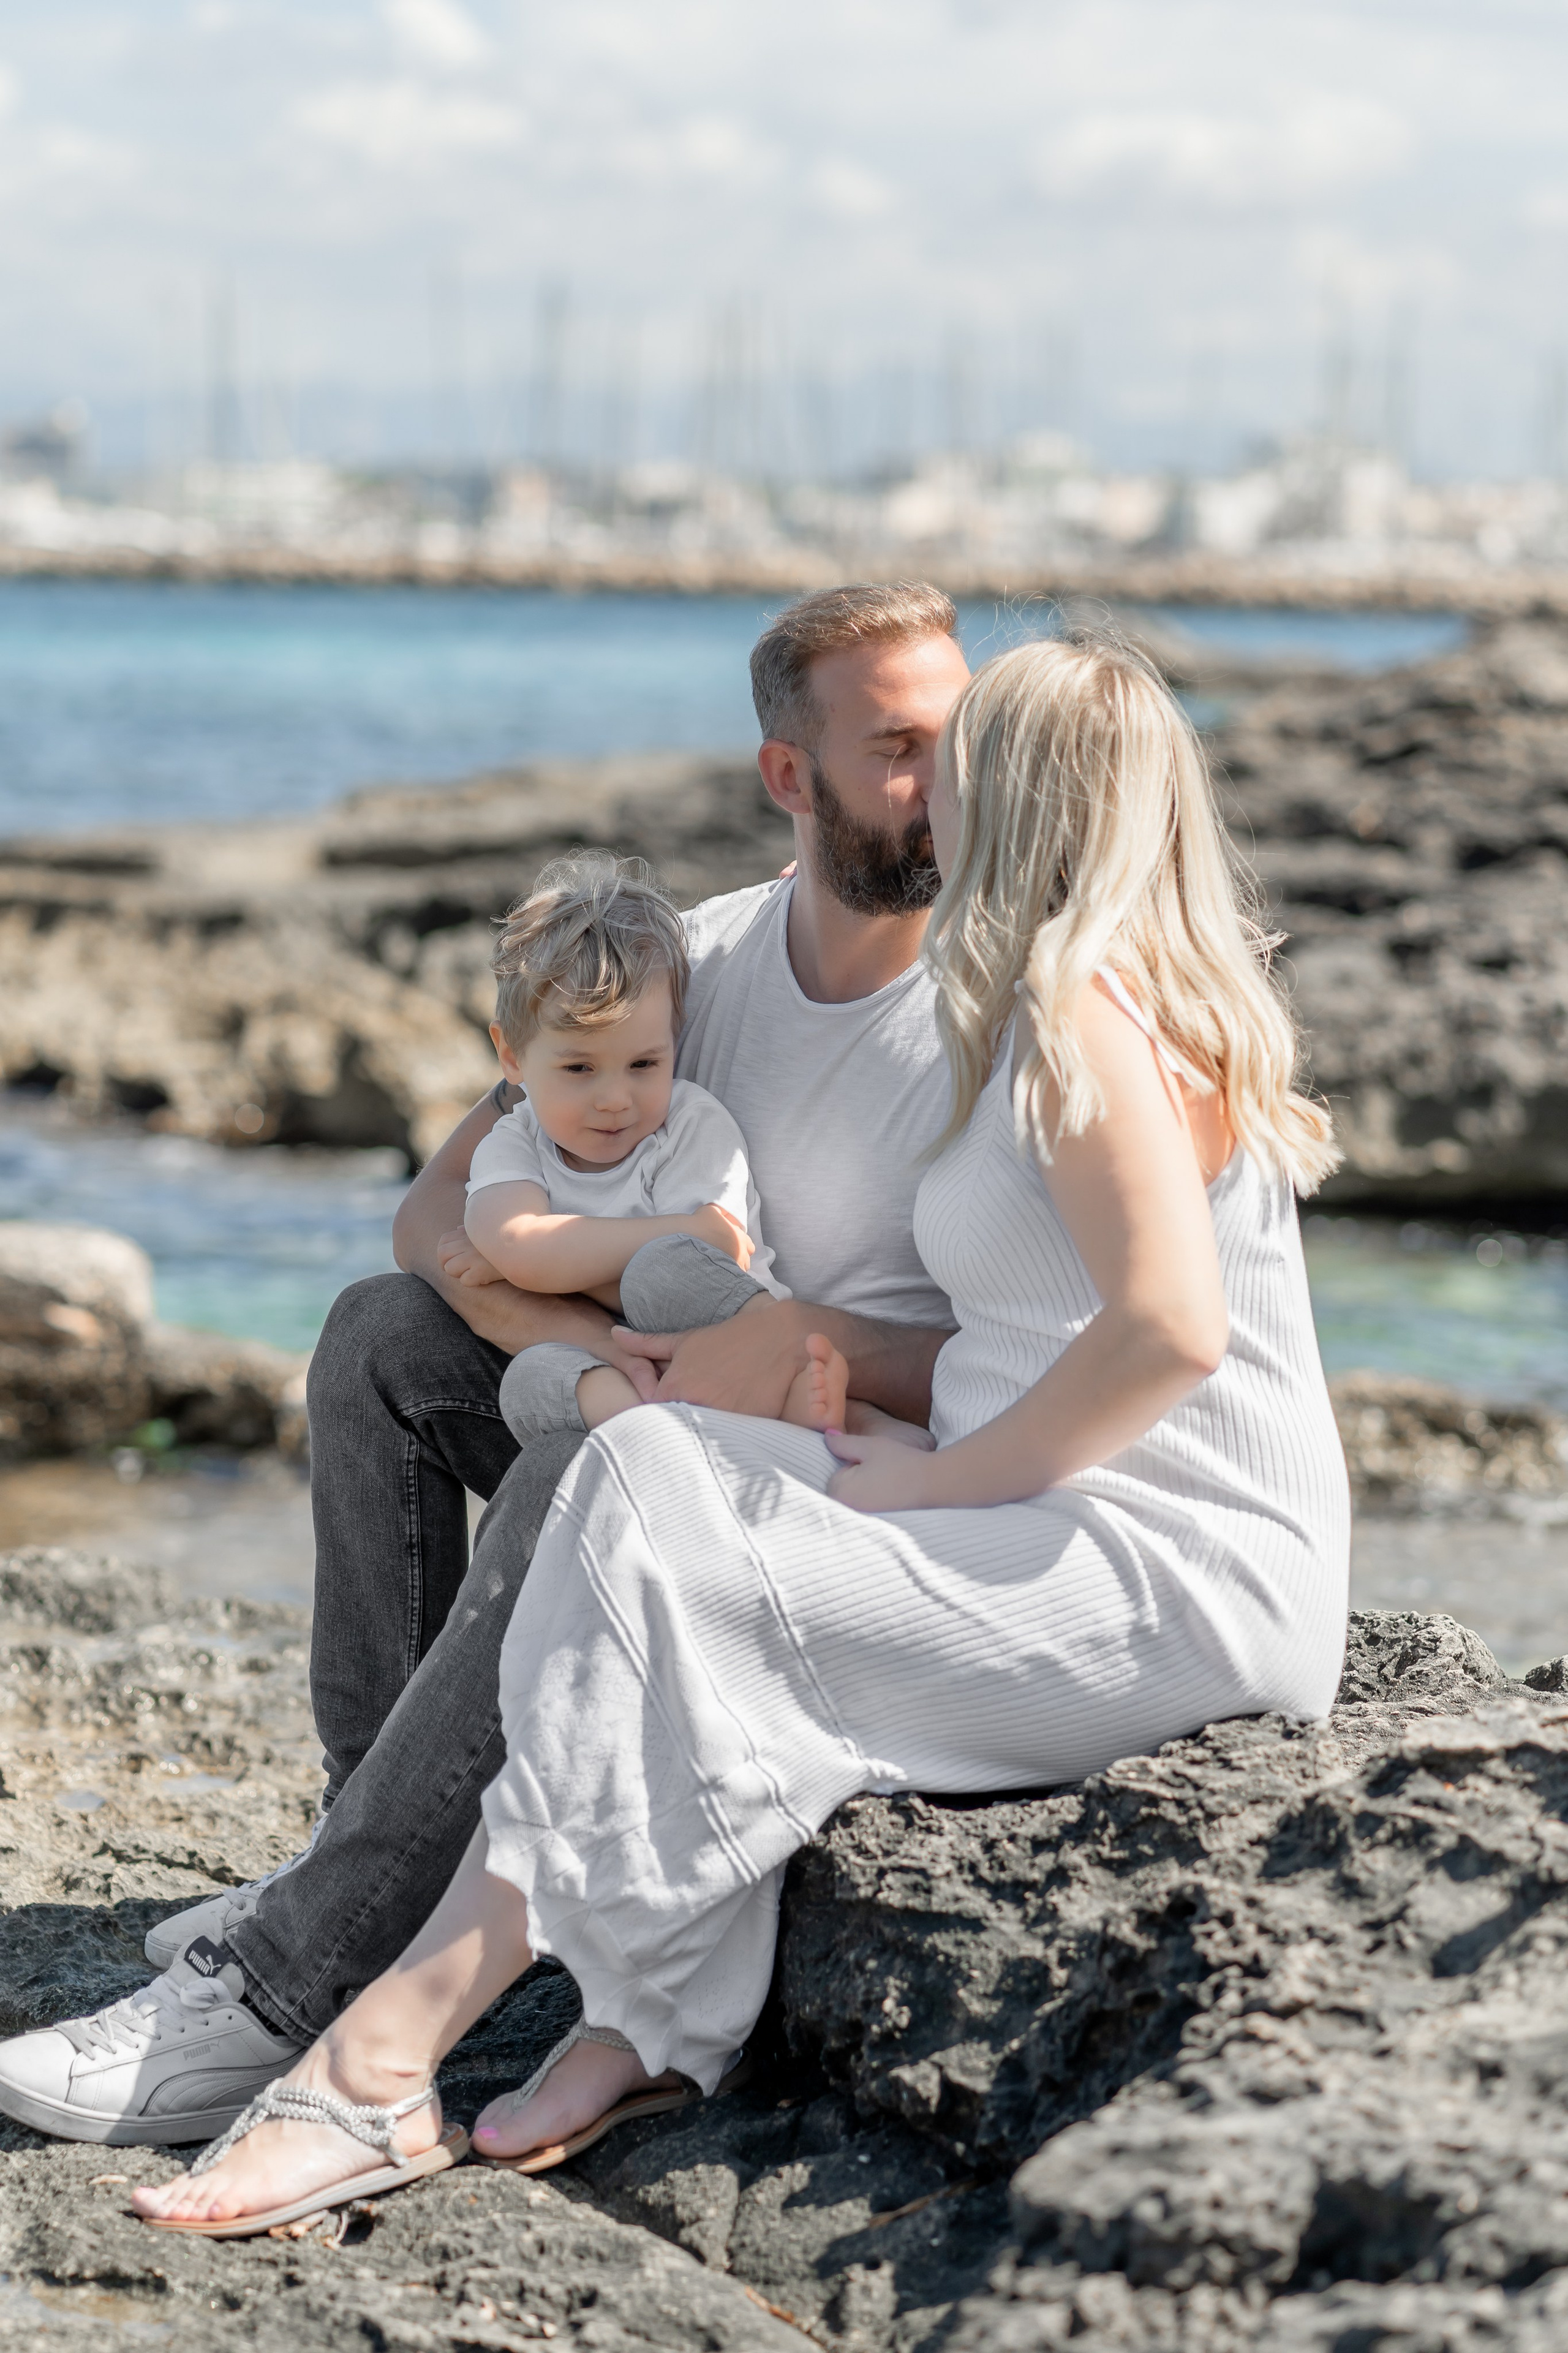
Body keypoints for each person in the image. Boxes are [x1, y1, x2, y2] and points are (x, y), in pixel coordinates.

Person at [129, 625, 1351, 2233]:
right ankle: (644, 2025)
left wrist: (942, 1474)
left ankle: (377, 2058)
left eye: (959, 765)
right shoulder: (1046, 992)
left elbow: (1173, 1333)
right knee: (638, 1471)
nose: (933, 801)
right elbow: (459, 1199)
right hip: (1050, 1514)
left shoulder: (1093, 1011)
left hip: (1165, 1571)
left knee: (686, 1562)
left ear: (1027, 803)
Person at [0, 580, 970, 2148]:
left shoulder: (996, 998)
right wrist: (572, 1339)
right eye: (903, 746)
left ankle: (281, 1981)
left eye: (964, 735)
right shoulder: (697, 963)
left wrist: (699, 1368)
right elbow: (431, 1216)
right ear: (791, 776)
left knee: (606, 1453)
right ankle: (357, 1857)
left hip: (834, 1476)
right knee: (379, 1342)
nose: (954, 779)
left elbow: (1016, 1362)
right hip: (657, 1398)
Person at [450, 848, 849, 1442]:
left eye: (643, 1062)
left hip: (735, 1342)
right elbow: (519, 1243)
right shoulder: (514, 1142)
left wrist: (536, 1267)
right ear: (512, 1056)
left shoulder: (688, 1123)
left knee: (662, 1272)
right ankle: (655, 1430)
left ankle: (813, 1399)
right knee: (531, 1379)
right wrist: (527, 1258)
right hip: (627, 1366)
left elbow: (711, 1257)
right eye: (580, 1068)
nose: (616, 1098)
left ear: (673, 1041)